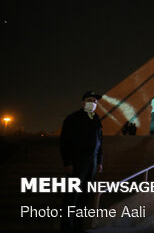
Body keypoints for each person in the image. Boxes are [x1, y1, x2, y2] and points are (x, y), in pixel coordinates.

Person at [60, 91, 103, 233]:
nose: (93, 103)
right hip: (77, 161)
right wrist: (68, 162)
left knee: (84, 196)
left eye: (95, 101)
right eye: (90, 100)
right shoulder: (73, 119)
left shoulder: (96, 119)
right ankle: (67, 226)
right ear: (83, 102)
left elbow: (99, 142)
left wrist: (99, 161)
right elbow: (65, 142)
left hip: (92, 162)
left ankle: (78, 226)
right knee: (72, 196)